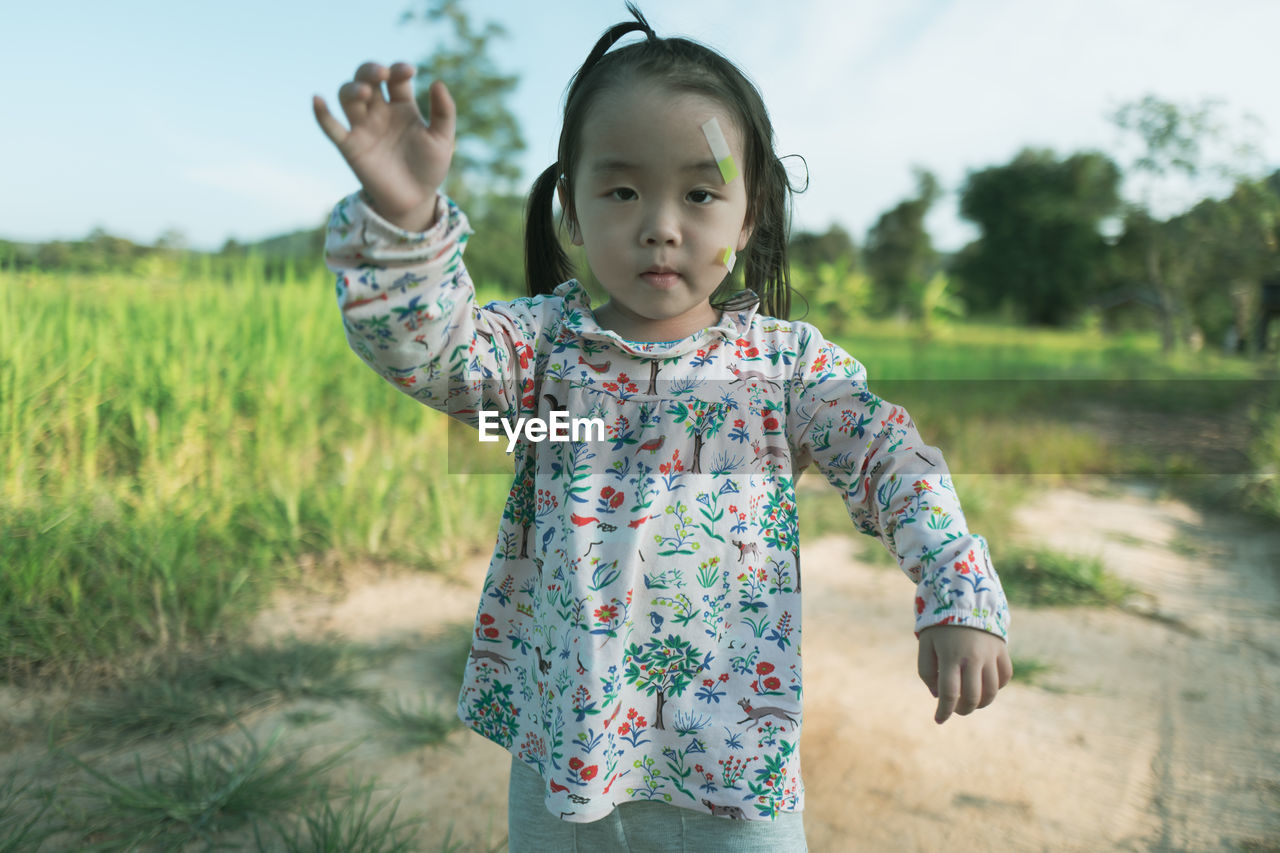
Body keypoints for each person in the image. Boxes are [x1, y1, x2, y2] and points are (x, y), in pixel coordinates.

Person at [314, 5, 1011, 850]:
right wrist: (406, 223)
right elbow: (431, 354)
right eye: (622, 189)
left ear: (748, 218)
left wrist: (955, 585)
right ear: (572, 208)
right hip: (569, 755)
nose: (661, 223)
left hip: (732, 763)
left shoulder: (786, 368)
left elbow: (891, 456)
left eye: (700, 191)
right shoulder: (538, 353)